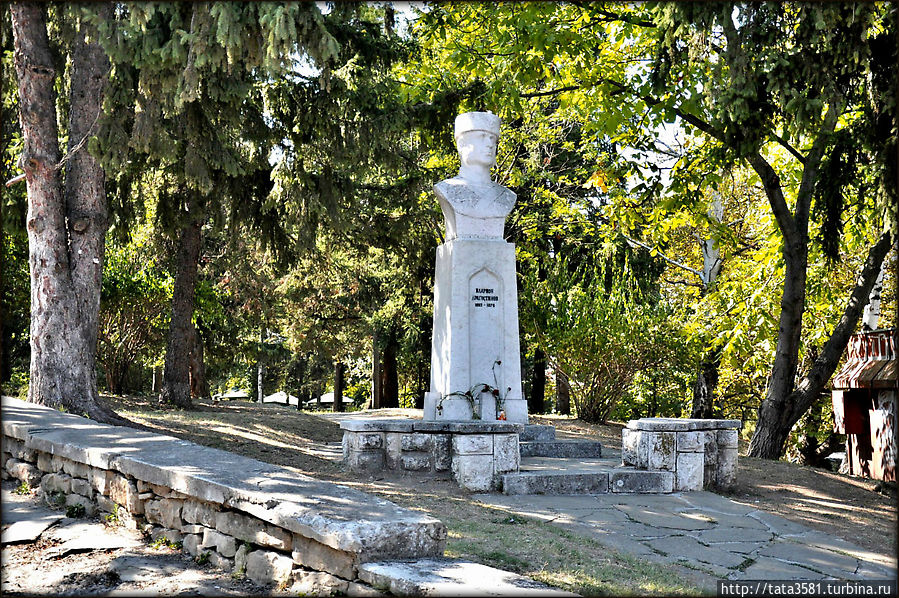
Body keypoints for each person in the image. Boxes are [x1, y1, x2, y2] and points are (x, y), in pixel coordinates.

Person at [434, 111, 516, 240]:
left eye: (492, 139)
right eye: (481, 136)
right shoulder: (446, 189)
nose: (490, 144)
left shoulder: (507, 196)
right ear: (461, 144)